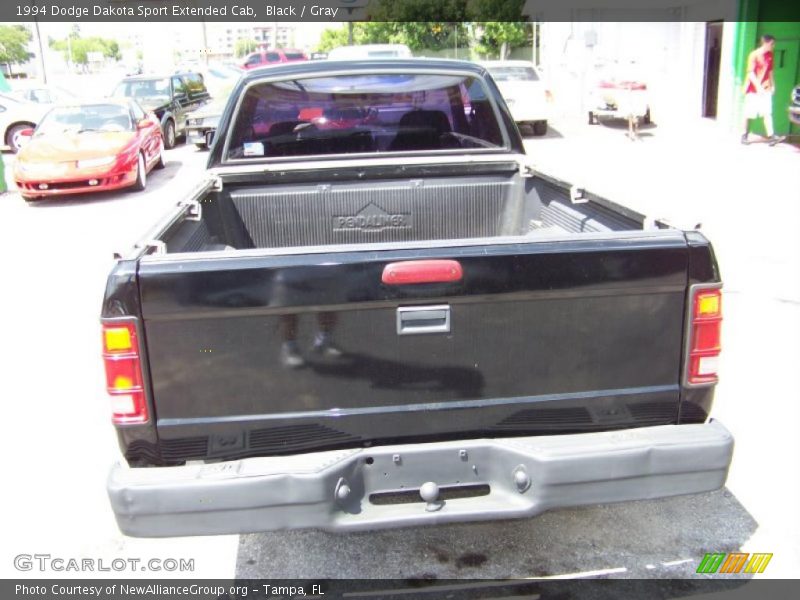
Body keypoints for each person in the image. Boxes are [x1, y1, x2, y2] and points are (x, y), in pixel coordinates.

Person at [742, 34, 784, 145]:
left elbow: (770, 71)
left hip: (766, 88)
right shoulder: (754, 55)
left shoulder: (770, 55)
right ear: (765, 43)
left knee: (767, 112)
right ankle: (744, 135)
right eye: (772, 44)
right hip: (753, 89)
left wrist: (773, 85)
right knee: (749, 113)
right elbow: (750, 73)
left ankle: (771, 136)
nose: (773, 46)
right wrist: (758, 86)